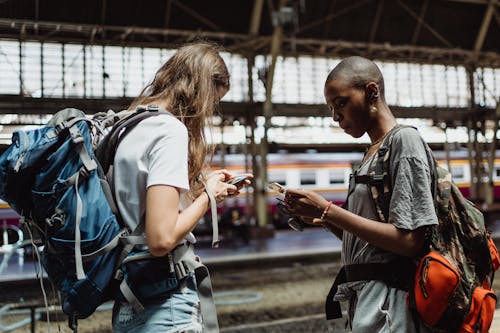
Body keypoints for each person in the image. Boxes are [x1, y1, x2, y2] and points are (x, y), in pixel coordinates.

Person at [284, 56, 437, 332]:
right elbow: (371, 244)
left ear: (371, 92)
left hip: (392, 307)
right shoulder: (370, 154)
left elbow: (410, 241)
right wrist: (326, 221)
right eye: (331, 108)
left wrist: (328, 210)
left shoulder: (404, 141)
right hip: (367, 302)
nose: (335, 116)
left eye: (340, 103)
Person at [111, 42, 252, 333]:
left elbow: (139, 211)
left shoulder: (128, 123)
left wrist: (201, 193)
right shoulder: (170, 130)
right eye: (211, 101)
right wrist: (209, 197)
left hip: (128, 298)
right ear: (198, 90)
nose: (209, 111)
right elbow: (161, 239)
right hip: (164, 304)